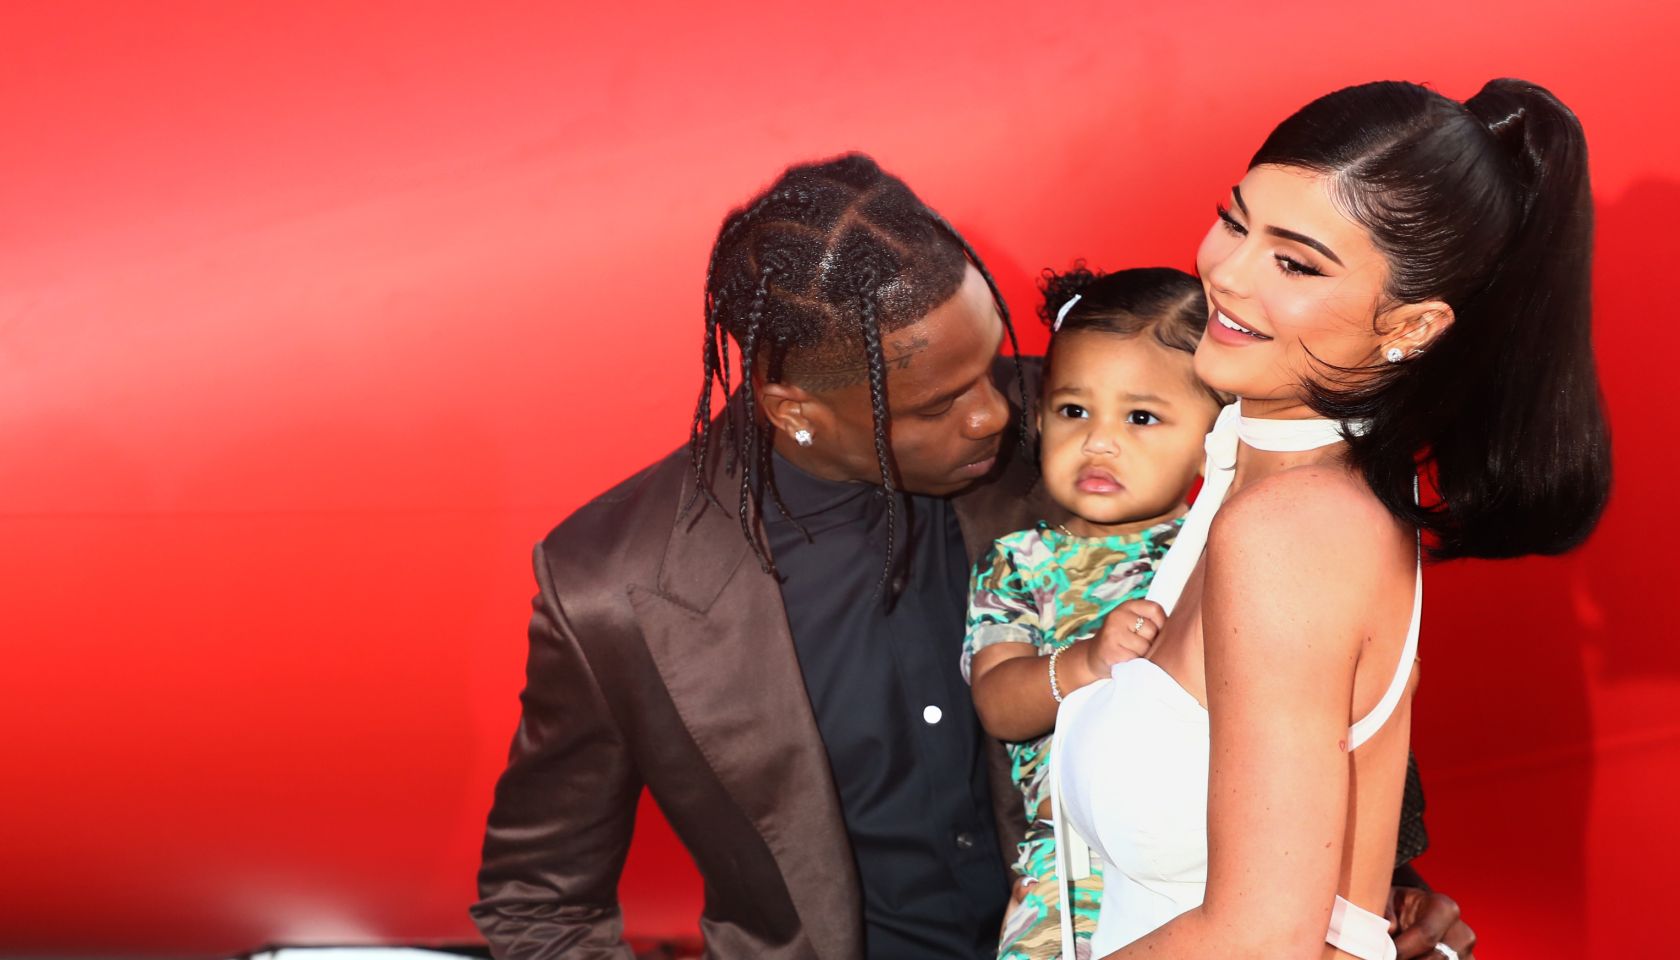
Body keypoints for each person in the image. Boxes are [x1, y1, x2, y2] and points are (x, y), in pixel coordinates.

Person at [471, 153, 1472, 959]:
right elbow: (535, 901)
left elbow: (1296, 632)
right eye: (939, 406)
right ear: (797, 413)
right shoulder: (613, 584)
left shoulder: (1097, 429)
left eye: (992, 360)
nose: (1002, 411)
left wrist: (1377, 888)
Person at [1053, 79, 1608, 960]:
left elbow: (1262, 938)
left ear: (1413, 326)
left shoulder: (1289, 532)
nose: (1227, 273)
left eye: (1296, 263)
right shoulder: (1249, 458)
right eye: (1236, 221)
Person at [963, 265, 1225, 960]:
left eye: (1141, 417)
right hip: (1072, 886)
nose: (1100, 441)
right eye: (1075, 411)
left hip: (1216, 869)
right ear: (1042, 417)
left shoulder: (1225, 549)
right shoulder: (1020, 562)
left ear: (1215, 436)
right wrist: (1086, 662)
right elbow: (998, 701)